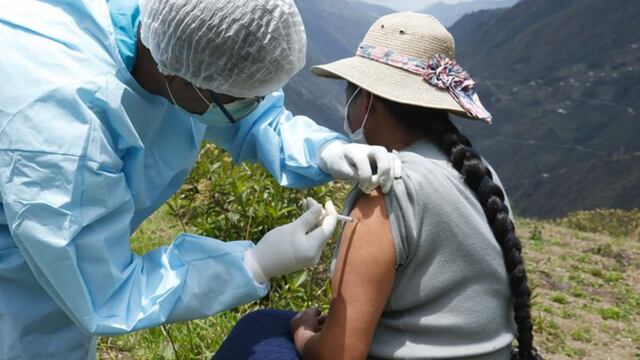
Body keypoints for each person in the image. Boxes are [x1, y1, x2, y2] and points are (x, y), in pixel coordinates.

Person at [0, 0, 401, 359]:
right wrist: (252, 263)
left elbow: (248, 114)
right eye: (243, 98)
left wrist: (323, 152)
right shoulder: (66, 129)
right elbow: (107, 293)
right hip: (19, 289)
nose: (256, 107)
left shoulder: (174, 31)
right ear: (178, 78)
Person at [215, 13, 543, 360]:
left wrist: (302, 332)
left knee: (259, 329)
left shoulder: (383, 193)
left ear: (366, 100)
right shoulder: (481, 175)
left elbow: (338, 356)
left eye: (350, 93)